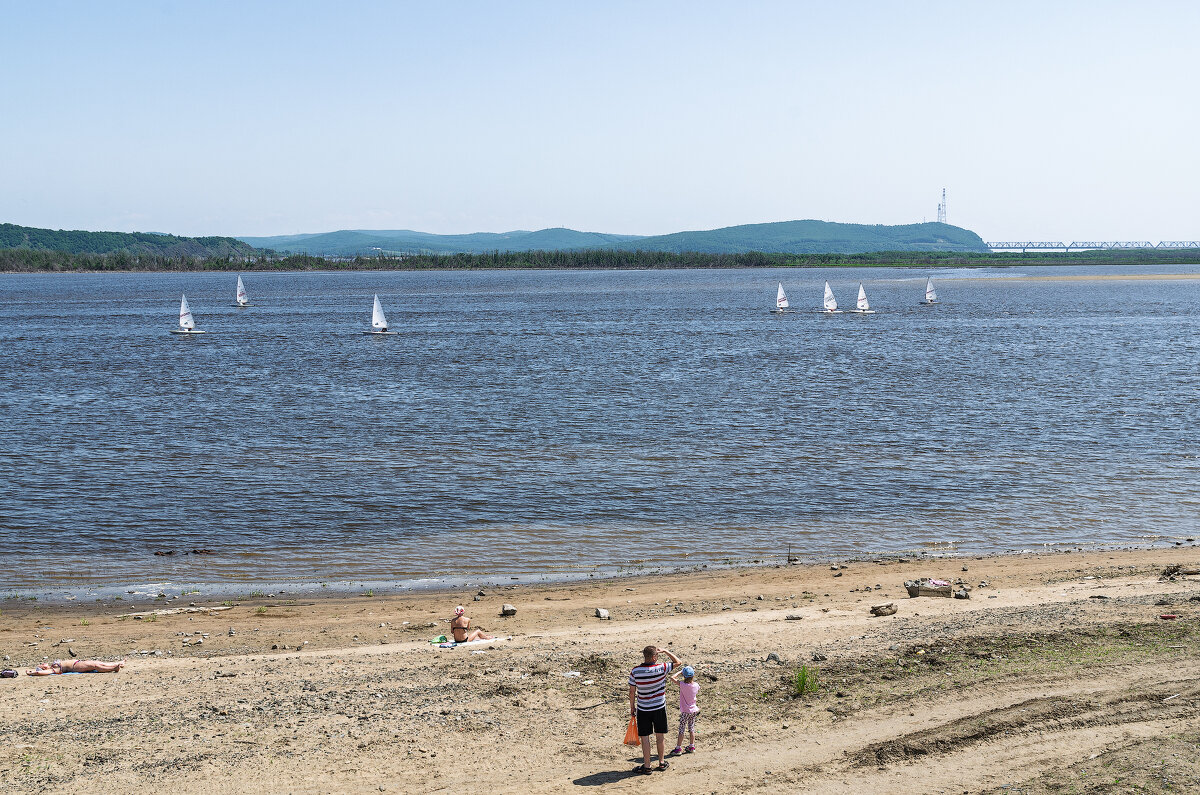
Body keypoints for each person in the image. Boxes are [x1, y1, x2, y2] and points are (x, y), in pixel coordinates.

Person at [628, 644, 683, 774]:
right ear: (654, 657)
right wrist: (666, 651)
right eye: (657, 655)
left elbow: (632, 691)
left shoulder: (635, 671)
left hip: (643, 709)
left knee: (645, 738)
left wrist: (632, 707)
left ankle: (647, 766)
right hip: (659, 707)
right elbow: (678, 662)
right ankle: (662, 762)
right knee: (660, 736)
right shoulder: (661, 668)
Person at [667, 665, 700, 756]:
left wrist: (679, 672)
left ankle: (678, 748)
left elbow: (672, 677)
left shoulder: (682, 685)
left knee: (682, 729)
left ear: (684, 676)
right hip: (693, 710)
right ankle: (691, 746)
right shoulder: (696, 685)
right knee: (691, 728)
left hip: (685, 711)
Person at [27, 658, 125, 676]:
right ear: (43, 668)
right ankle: (114, 668)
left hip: (77, 663)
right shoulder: (54, 669)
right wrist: (31, 673)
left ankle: (118, 664)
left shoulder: (53, 666)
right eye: (41, 665)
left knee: (98, 662)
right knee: (95, 665)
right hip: (76, 666)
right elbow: (41, 673)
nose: (43, 663)